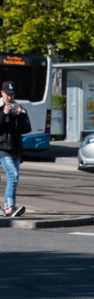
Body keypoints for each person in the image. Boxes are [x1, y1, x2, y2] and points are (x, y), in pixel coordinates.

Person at [0, 81, 31, 218]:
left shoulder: (18, 107)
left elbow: (26, 129)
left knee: (13, 178)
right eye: (8, 94)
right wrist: (4, 114)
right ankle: (10, 208)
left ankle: (8, 207)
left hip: (16, 148)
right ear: (2, 93)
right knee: (13, 175)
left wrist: (21, 115)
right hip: (2, 147)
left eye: (12, 94)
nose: (10, 97)